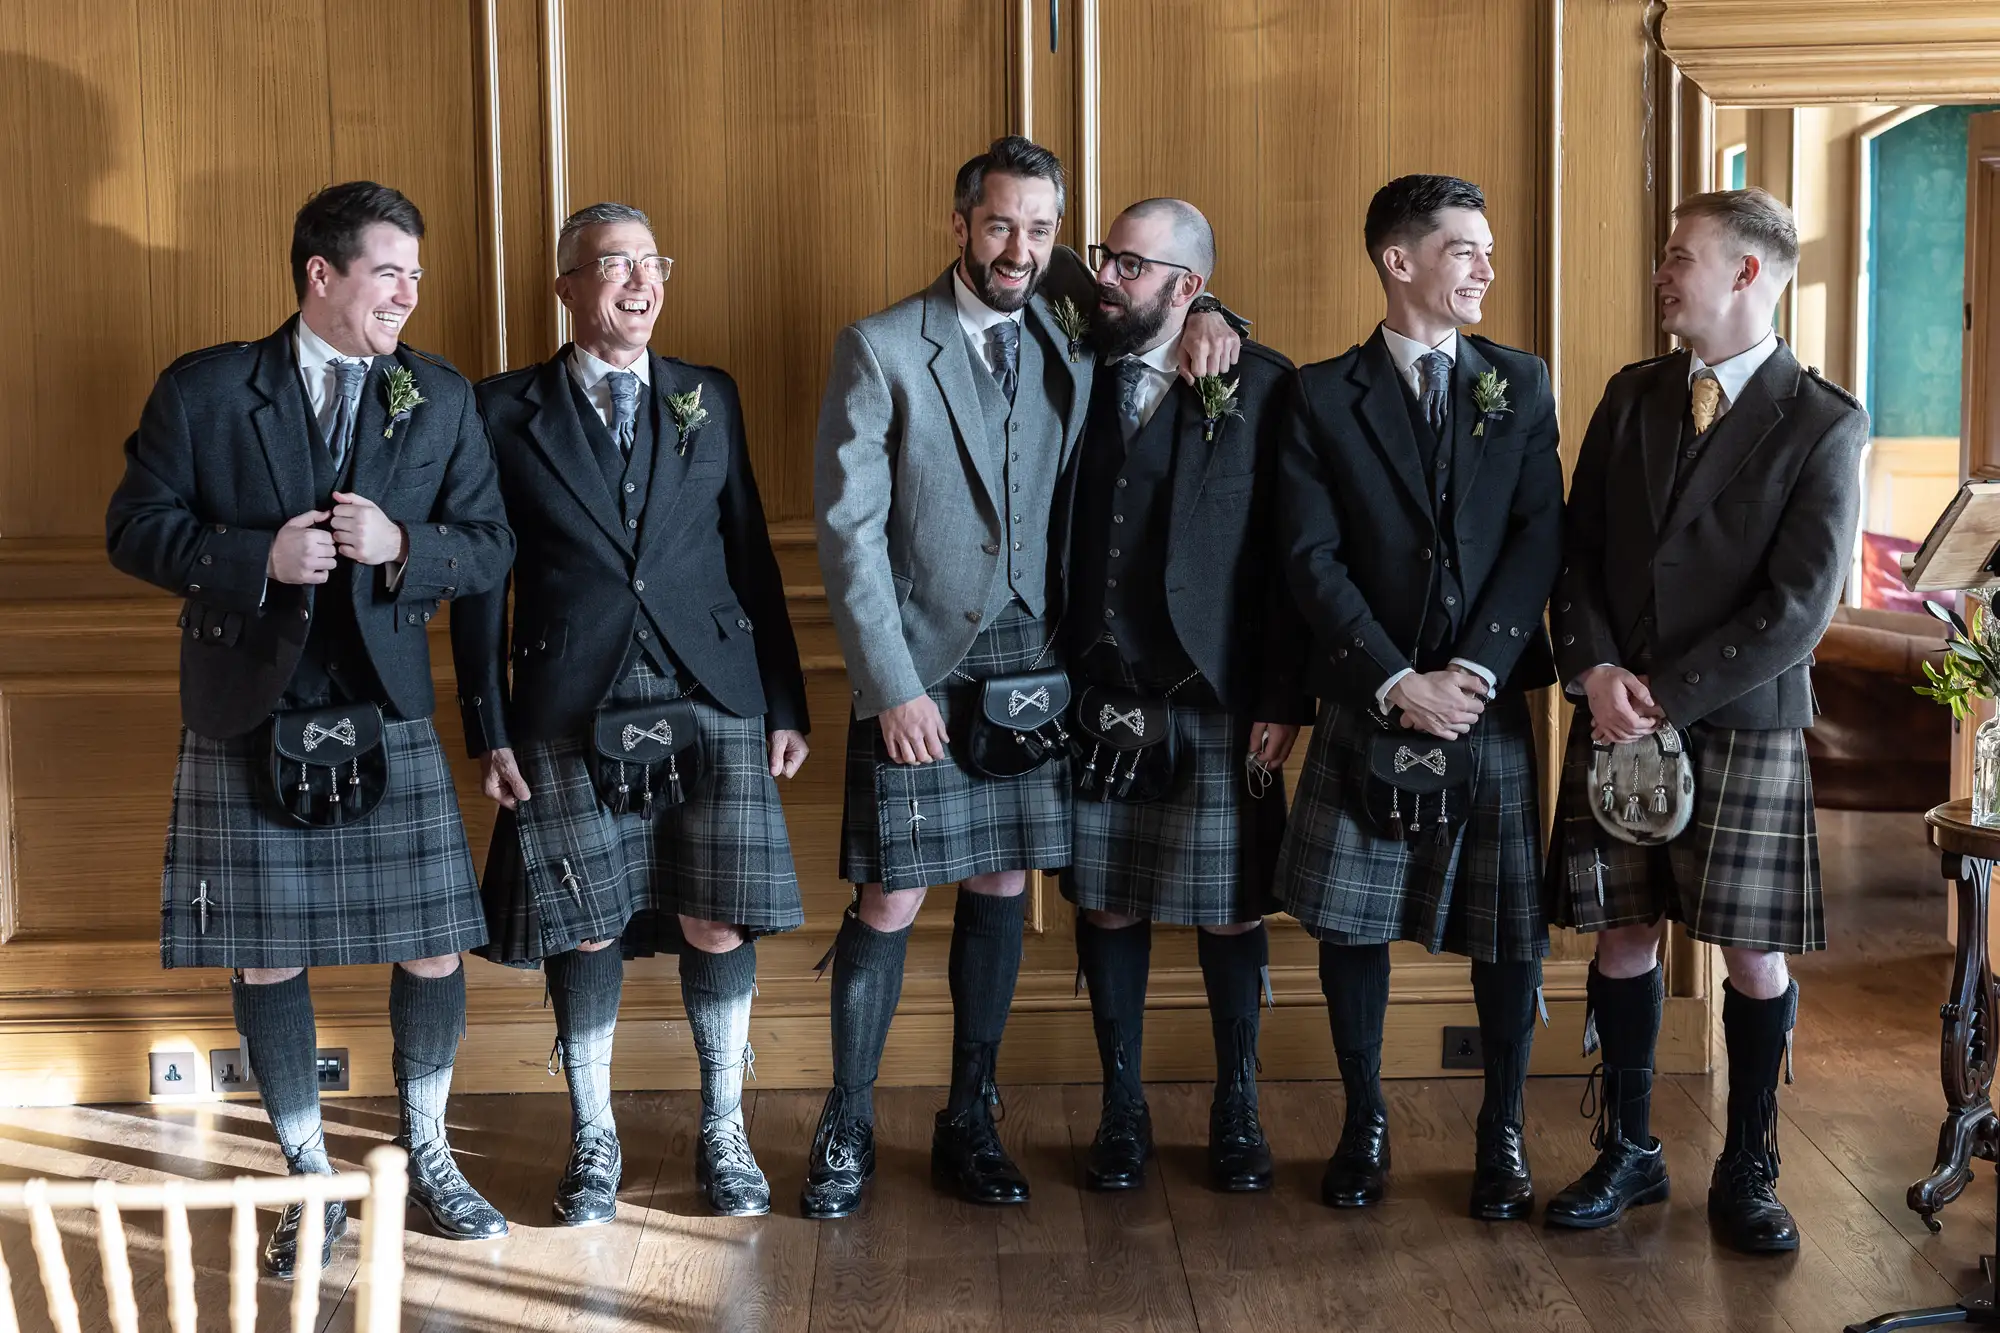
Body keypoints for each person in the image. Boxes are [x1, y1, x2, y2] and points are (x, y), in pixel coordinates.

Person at [807, 135, 1242, 1217]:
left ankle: (971, 1116)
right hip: (922, 663)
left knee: (1003, 882)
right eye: (1000, 224)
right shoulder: (879, 345)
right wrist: (889, 683)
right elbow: (846, 533)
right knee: (892, 891)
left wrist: (1215, 319)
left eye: (1041, 230)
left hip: (1034, 663)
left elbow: (1163, 316)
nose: (1019, 247)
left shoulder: (1069, 331)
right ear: (959, 225)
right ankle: (846, 1124)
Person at [106, 182, 514, 1275]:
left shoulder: (437, 393)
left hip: (386, 708)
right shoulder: (203, 389)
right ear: (320, 275)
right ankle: (309, 1179)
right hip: (250, 702)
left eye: (415, 275)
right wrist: (256, 560)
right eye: (390, 272)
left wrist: (402, 545)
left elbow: (489, 546)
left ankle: (425, 1152)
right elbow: (133, 529)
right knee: (266, 954)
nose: (409, 293)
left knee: (433, 945)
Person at [453, 202, 810, 1224]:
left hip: (711, 687)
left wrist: (782, 697)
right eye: (611, 266)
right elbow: (483, 578)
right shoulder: (501, 408)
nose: (637, 283)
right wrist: (489, 723)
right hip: (567, 696)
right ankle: (593, 1138)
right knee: (584, 924)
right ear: (566, 288)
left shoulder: (709, 394)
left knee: (715, 912)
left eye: (650, 264)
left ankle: (725, 1129)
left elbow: (749, 550)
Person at [1543, 187, 1869, 1253]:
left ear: (1746, 272)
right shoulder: (1632, 394)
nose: (1661, 270)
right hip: (1613, 711)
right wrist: (1592, 671)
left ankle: (1750, 1164)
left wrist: (1660, 697)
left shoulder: (1821, 418)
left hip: (1738, 718)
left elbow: (1798, 605)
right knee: (1622, 928)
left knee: (1750, 952)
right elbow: (1576, 551)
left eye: (1680, 255)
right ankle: (1628, 1150)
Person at [1275, 174, 1563, 1221]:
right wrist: (1396, 680)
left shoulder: (1520, 382)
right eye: (1462, 249)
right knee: (1350, 928)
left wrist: (1473, 673)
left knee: (1505, 932)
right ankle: (1363, 1121)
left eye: (1486, 250)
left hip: (1483, 701)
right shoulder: (1317, 394)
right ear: (1399, 262)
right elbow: (1306, 559)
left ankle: (1501, 1134)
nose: (1485, 267)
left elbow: (1538, 538)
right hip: (1369, 692)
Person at [1058, 197, 1307, 1194]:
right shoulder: (1065, 360)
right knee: (1107, 905)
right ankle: (1121, 1109)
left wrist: (1285, 697)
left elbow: (1297, 560)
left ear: (1187, 287)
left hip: (1216, 694)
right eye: (1104, 258)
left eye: (1129, 264)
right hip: (1093, 686)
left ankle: (1234, 1104)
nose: (1105, 276)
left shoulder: (1265, 385)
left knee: (1230, 912)